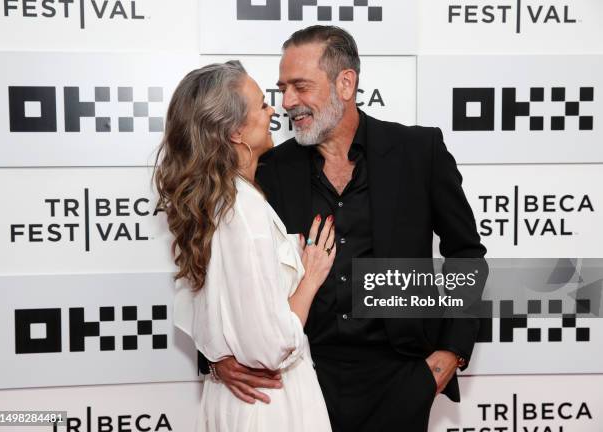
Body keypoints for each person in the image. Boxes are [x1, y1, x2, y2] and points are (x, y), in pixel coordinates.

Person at [207, 26, 488, 431]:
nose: (287, 102)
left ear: (345, 82)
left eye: (300, 87)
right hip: (300, 380)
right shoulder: (270, 168)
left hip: (400, 376)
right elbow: (222, 266)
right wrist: (218, 358)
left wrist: (450, 353)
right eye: (282, 88)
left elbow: (465, 253)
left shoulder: (417, 152)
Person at [154, 60, 335, 431]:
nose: (274, 110)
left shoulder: (215, 202)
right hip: (269, 404)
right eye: (261, 105)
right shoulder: (243, 209)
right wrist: (310, 277)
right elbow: (271, 349)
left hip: (234, 401)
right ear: (236, 131)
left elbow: (198, 315)